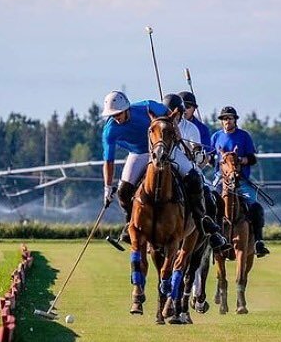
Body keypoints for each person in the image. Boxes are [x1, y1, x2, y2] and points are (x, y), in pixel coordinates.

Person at [160, 93, 229, 253]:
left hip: (187, 167)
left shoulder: (192, 128)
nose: (172, 114)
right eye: (168, 111)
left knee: (211, 197)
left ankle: (211, 230)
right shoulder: (161, 124)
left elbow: (199, 154)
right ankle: (133, 224)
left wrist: (199, 155)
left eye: (176, 111)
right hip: (163, 165)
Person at [100, 90, 167, 230]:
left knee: (189, 177)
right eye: (112, 115)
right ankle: (131, 224)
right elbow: (109, 161)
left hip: (163, 150)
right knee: (123, 192)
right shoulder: (109, 131)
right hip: (138, 153)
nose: (116, 118)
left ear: (126, 109)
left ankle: (201, 219)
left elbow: (170, 116)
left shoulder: (148, 107)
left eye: (118, 114)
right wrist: (107, 187)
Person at [210, 106, 270, 258]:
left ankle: (258, 242)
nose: (227, 121)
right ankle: (208, 238)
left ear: (235, 120)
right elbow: (211, 159)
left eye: (229, 118)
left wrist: (241, 160)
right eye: (224, 118)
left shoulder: (244, 136)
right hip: (220, 179)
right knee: (208, 202)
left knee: (255, 206)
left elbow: (253, 159)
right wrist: (209, 158)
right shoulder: (216, 137)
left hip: (240, 179)